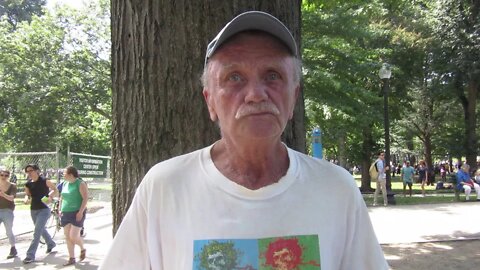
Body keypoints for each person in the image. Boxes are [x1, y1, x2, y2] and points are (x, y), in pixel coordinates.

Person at [100, 11, 388, 269]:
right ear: (210, 101)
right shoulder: (164, 187)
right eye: (235, 77)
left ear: (293, 99)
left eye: (272, 75)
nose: (256, 94)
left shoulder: (336, 189)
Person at [23, 164, 58, 264]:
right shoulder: (28, 184)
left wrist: (50, 197)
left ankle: (30, 255)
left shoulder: (44, 181)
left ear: (36, 171)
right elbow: (27, 195)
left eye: (31, 170)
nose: (29, 173)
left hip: (44, 209)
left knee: (37, 232)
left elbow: (55, 189)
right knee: (41, 229)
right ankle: (51, 244)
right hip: (33, 210)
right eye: (27, 171)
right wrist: (26, 199)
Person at [59, 166, 88, 266]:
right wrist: (59, 209)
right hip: (65, 212)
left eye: (64, 173)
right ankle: (71, 258)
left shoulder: (80, 183)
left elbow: (85, 198)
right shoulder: (64, 184)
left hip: (77, 212)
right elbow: (61, 198)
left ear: (71, 174)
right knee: (67, 237)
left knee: (73, 236)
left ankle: (82, 248)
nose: (63, 175)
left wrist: (80, 212)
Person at [0, 168, 17, 259]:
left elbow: (11, 198)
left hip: (7, 211)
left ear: (8, 176)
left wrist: (3, 195)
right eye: (2, 175)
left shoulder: (12, 186)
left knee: (8, 231)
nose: (3, 177)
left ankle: (13, 248)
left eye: (6, 175)